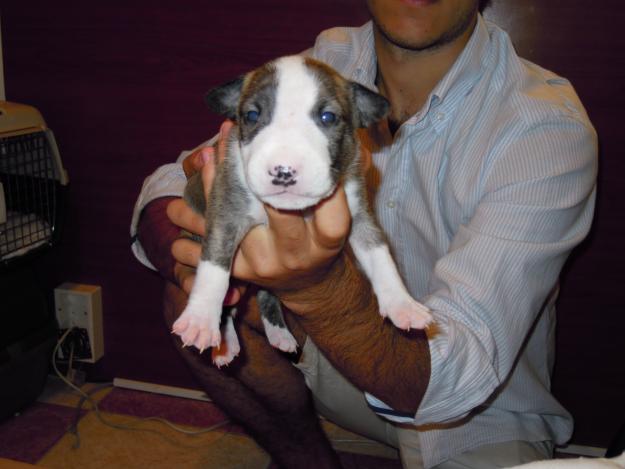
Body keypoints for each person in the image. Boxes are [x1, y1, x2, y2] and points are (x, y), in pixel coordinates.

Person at [130, 0, 598, 467]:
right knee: (194, 291)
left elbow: (455, 378)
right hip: (337, 357)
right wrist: (190, 256)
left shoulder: (544, 126)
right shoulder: (329, 57)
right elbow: (170, 183)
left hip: (478, 413)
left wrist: (315, 290)